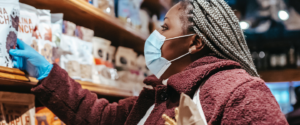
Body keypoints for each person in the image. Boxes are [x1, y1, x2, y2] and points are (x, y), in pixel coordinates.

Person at [9, 0, 288, 124]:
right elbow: (99, 117)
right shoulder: (161, 96)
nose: (155, 35)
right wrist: (47, 74)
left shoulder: (240, 93)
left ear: (195, 42)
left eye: (165, 28)